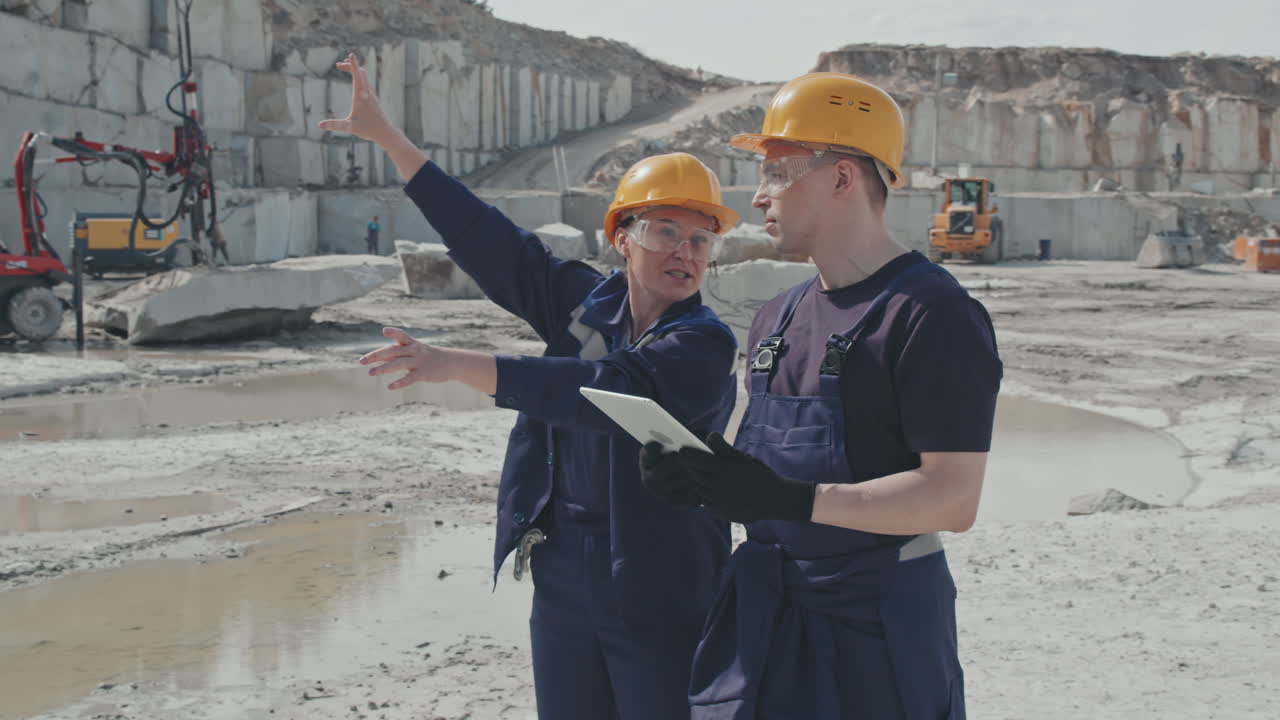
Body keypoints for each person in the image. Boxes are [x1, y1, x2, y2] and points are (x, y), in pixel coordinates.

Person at [320, 53, 741, 719]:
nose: (686, 252)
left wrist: (456, 363)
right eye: (666, 231)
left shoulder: (704, 345)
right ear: (623, 238)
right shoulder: (584, 304)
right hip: (566, 577)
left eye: (700, 240)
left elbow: (603, 391)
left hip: (661, 584)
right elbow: (492, 243)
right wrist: (392, 143)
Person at [640, 72, 1003, 719]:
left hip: (878, 636)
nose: (757, 197)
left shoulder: (931, 313)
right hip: (771, 621)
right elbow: (766, 476)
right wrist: (703, 480)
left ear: (842, 178)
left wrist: (787, 500)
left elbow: (953, 498)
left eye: (777, 173)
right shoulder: (774, 319)